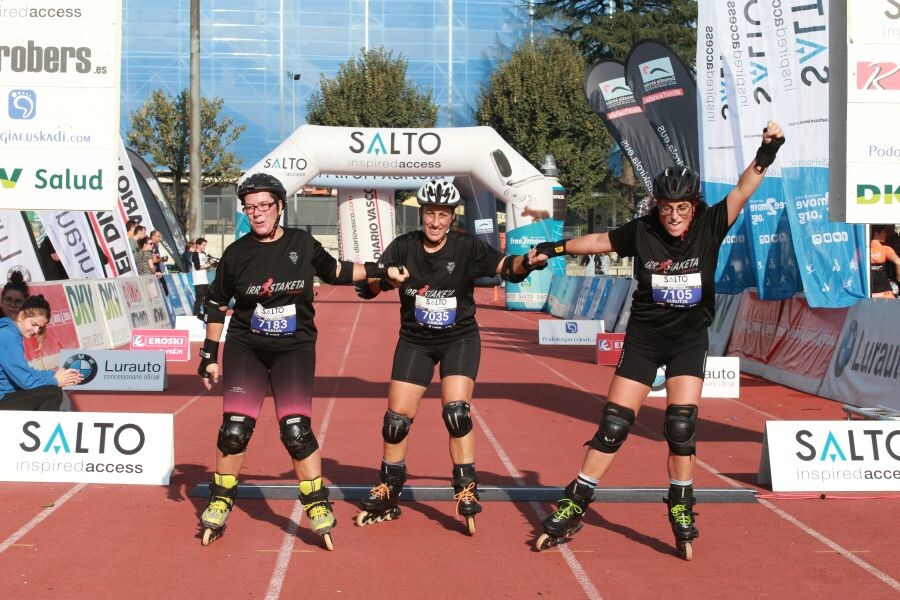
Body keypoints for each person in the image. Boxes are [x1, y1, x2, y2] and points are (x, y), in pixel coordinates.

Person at [531, 122, 785, 560]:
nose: (673, 215)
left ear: (693, 206)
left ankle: (682, 505)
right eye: (667, 207)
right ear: (658, 206)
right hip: (645, 339)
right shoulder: (643, 230)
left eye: (681, 207)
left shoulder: (710, 224)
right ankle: (577, 499)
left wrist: (767, 153)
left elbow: (744, 190)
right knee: (613, 426)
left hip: (688, 340)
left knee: (680, 428)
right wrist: (553, 249)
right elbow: (598, 241)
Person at [196, 172, 390, 549]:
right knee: (234, 430)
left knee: (296, 431)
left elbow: (336, 272)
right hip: (246, 347)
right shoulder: (236, 254)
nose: (258, 213)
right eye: (250, 208)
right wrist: (209, 356)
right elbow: (217, 304)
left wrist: (381, 270)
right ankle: (220, 498)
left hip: (294, 349)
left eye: (265, 206)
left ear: (280, 206)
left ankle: (316, 502)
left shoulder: (301, 242)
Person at [352, 179, 546, 534]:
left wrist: (528, 262)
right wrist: (386, 280)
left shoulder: (467, 246)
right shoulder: (403, 246)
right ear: (421, 214)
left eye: (442, 215)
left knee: (456, 413)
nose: (436, 222)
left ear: (452, 217)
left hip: (458, 338)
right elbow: (367, 288)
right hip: (415, 341)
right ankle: (389, 489)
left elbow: (506, 266)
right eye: (430, 214)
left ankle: (466, 489)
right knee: (396, 420)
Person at [0, 294, 83, 410]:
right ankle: (46, 427)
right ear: (21, 316)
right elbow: (26, 381)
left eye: (40, 328)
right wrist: (56, 381)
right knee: (53, 394)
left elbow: (26, 372)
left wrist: (54, 375)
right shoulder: (8, 336)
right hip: (3, 399)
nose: (36, 331)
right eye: (34, 324)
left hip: (7, 395)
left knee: (54, 391)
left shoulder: (12, 334)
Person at [870, 225, 900, 299]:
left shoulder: (861, 250)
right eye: (885, 232)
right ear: (876, 233)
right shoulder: (885, 249)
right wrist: (898, 281)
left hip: (868, 291)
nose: (886, 234)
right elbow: (898, 262)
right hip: (884, 292)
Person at [191, 238, 212, 318]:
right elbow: (197, 267)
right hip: (198, 281)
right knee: (199, 299)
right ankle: (195, 315)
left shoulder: (204, 253)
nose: (204, 247)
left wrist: (210, 264)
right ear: (198, 245)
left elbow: (206, 265)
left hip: (205, 281)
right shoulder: (195, 254)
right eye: (203, 245)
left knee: (207, 299)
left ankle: (206, 315)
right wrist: (208, 265)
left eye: (205, 245)